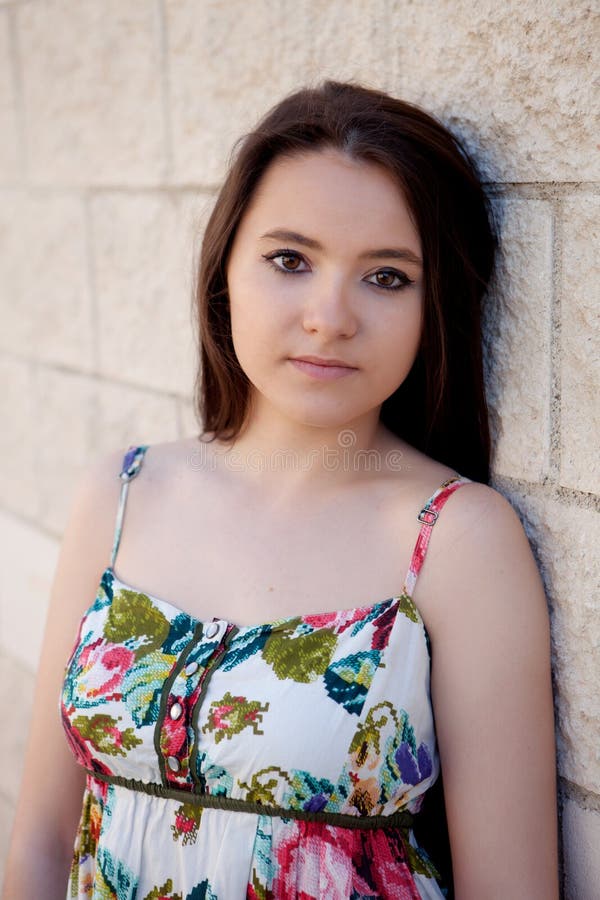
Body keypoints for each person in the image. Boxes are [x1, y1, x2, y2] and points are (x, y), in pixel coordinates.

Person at [3, 80, 559, 899]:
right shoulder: (121, 494)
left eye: (387, 277)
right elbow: (38, 850)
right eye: (290, 260)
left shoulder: (457, 539)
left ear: (434, 305)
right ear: (225, 267)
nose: (329, 316)